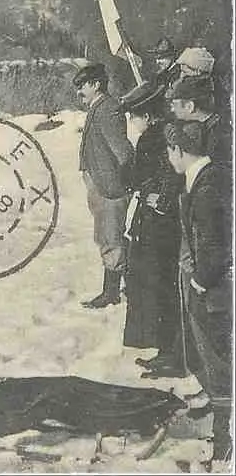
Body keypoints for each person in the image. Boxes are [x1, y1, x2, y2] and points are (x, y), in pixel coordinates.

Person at [165, 120, 232, 463]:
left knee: (220, 367)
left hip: (213, 292)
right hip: (212, 289)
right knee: (215, 362)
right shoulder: (208, 177)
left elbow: (216, 249)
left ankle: (224, 448)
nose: (169, 158)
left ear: (178, 150)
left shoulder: (205, 189)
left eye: (169, 151)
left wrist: (199, 282)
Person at [118, 82, 183, 374]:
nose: (132, 122)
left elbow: (165, 174)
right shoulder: (165, 132)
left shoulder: (153, 138)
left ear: (146, 115)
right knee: (161, 285)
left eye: (134, 116)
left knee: (160, 285)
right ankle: (168, 350)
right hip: (159, 219)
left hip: (158, 222)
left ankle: (171, 354)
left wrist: (162, 200)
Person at [75, 64, 135, 309]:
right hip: (102, 186)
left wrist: (122, 183)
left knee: (111, 238)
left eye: (82, 85)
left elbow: (123, 152)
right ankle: (124, 285)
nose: (78, 91)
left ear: (96, 84)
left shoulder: (107, 108)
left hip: (109, 188)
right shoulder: (99, 107)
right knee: (106, 236)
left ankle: (111, 293)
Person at [167, 76, 233, 170]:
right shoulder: (213, 125)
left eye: (174, 105)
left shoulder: (219, 134)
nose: (172, 109)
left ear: (190, 106)